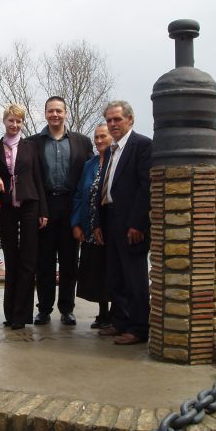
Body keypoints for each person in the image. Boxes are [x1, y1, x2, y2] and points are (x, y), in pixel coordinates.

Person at [29, 96, 93, 326]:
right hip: (44, 207)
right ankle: (44, 309)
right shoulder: (32, 143)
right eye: (51, 111)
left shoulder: (82, 142)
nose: (55, 114)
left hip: (71, 206)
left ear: (65, 113)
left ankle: (67, 309)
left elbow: (89, 175)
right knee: (44, 262)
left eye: (59, 111)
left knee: (69, 262)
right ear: (45, 113)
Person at [94, 100, 151, 345]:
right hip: (110, 219)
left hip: (131, 222)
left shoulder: (142, 145)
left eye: (117, 119)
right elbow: (105, 188)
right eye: (109, 120)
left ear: (130, 119)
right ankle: (120, 322)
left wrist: (137, 223)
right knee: (115, 275)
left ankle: (138, 328)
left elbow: (146, 187)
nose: (113, 124)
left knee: (134, 277)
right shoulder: (111, 150)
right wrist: (98, 222)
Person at [0, 104, 48, 330]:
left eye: (18, 121)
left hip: (29, 205)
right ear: (4, 121)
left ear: (22, 123)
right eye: (11, 120)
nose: (14, 125)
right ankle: (9, 313)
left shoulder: (30, 147)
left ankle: (22, 315)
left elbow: (38, 178)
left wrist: (43, 211)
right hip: (6, 207)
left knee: (27, 260)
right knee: (11, 259)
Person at [71, 123, 113, 329]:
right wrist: (76, 223)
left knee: (111, 270)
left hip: (110, 227)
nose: (98, 141)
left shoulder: (117, 161)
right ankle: (103, 313)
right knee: (96, 271)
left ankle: (116, 314)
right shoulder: (90, 164)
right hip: (89, 227)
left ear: (112, 138)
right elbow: (79, 194)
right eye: (96, 137)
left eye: (103, 136)